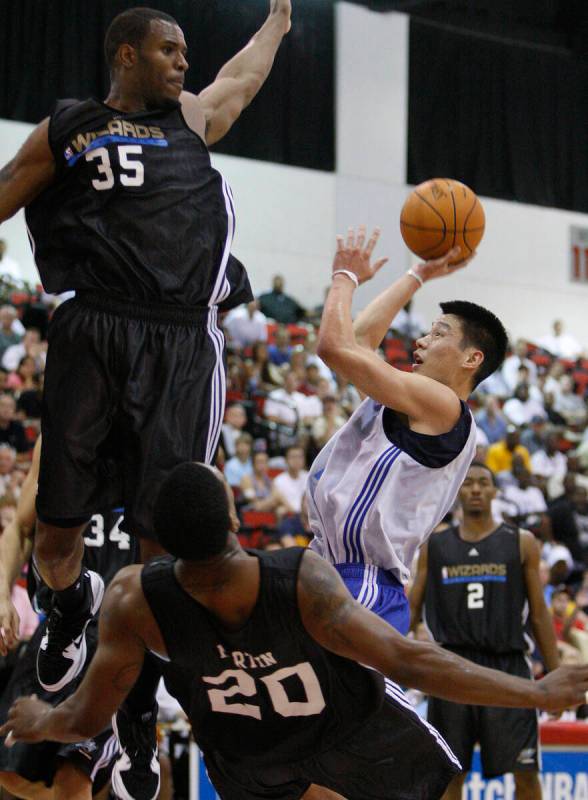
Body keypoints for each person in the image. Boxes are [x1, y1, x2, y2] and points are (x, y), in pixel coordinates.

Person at [0, 0, 291, 694]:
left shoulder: (190, 119)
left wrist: (279, 17)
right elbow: (6, 192)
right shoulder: (69, 126)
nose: (184, 63)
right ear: (126, 54)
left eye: (186, 54)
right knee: (55, 533)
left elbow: (241, 79)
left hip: (183, 338)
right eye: (170, 51)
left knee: (164, 532)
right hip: (93, 323)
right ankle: (69, 609)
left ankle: (146, 692)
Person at [2, 462, 587, 800]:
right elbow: (408, 661)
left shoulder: (134, 600)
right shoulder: (298, 575)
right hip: (349, 733)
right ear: (234, 518)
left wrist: (40, 719)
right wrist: (538, 691)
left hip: (247, 757)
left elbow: (84, 715)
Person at [306, 227, 508, 633]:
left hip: (361, 582)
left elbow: (334, 347)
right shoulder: (407, 400)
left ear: (472, 358)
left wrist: (344, 277)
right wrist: (418, 274)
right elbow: (360, 339)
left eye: (438, 334)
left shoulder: (443, 405)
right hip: (327, 569)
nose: (420, 340)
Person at [409, 462, 560, 800]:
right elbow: (410, 611)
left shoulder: (521, 543)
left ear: (494, 492)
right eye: (468, 484)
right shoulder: (434, 545)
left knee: (526, 774)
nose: (475, 489)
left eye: (483, 483)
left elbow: (539, 615)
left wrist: (555, 675)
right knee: (449, 776)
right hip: (450, 669)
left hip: (508, 667)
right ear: (457, 493)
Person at [0, 438, 139, 800]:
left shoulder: (156, 425)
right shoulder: (58, 437)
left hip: (122, 628)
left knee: (72, 772)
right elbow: (20, 528)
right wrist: (1, 594)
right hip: (62, 624)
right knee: (12, 769)